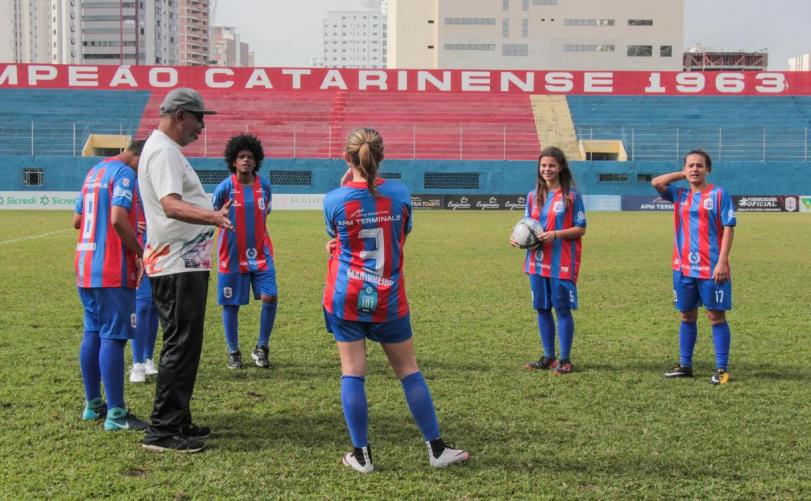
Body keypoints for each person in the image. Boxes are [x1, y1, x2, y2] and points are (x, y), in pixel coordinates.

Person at [323, 128, 469, 473]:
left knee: (353, 372)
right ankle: (436, 449)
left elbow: (338, 237)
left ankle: (362, 456)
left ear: (348, 159)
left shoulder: (335, 199)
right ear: (382, 157)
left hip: (347, 294)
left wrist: (347, 185)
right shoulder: (400, 194)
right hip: (387, 294)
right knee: (408, 371)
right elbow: (400, 237)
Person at [137, 88, 233, 453]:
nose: (201, 127)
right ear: (179, 115)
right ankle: (162, 429)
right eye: (198, 118)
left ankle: (178, 419)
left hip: (182, 261)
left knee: (185, 343)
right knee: (180, 344)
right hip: (176, 262)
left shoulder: (165, 149)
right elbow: (171, 205)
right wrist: (212, 216)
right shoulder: (163, 151)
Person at [73, 140, 148, 431]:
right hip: (111, 267)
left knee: (92, 331)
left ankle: (93, 405)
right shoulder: (124, 174)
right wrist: (141, 252)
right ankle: (116, 414)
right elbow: (118, 218)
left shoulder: (93, 172)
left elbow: (77, 220)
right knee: (113, 337)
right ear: (138, 155)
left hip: (85, 265)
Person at [651, 149, 736, 385]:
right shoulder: (679, 195)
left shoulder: (719, 194)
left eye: (700, 166)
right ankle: (685, 365)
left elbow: (729, 227)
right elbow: (656, 182)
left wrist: (722, 261)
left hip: (712, 268)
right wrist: (683, 174)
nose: (695, 169)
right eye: (691, 165)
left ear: (708, 169)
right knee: (686, 315)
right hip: (683, 267)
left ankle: (721, 369)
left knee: (715, 316)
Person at [511, 146, 586, 375]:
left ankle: (564, 359)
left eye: (552, 165)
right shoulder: (533, 196)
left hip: (561, 261)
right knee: (542, 309)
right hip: (535, 260)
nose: (547, 169)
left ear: (560, 166)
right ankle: (548, 356)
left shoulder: (572, 196)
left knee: (562, 309)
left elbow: (581, 228)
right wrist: (516, 236)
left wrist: (554, 234)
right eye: (543, 165)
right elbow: (526, 223)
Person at [212, 134, 278, 369]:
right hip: (231, 256)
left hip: (261, 254)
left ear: (256, 160)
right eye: (241, 157)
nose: (246, 160)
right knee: (231, 304)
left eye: (250, 157)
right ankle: (233, 351)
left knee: (270, 296)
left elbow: (265, 213)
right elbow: (214, 215)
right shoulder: (224, 188)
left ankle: (262, 347)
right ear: (233, 161)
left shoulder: (265, 186)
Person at [129, 219, 160, 383]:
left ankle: (148, 358)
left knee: (154, 306)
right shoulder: (130, 192)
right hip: (138, 249)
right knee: (142, 305)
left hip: (160, 248)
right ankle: (137, 363)